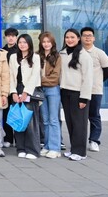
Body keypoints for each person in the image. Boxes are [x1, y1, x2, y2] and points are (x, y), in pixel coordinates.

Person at [60, 28, 93, 161]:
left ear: (78, 39)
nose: (69, 40)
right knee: (70, 122)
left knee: (79, 123)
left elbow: (88, 78)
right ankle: (74, 149)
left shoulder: (84, 55)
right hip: (65, 92)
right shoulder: (62, 53)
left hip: (78, 93)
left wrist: (84, 98)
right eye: (67, 37)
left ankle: (80, 152)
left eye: (72, 37)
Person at [9, 34, 41, 160]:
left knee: (30, 121)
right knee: (18, 119)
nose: (22, 44)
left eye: (25, 42)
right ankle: (20, 148)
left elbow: (34, 76)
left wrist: (26, 92)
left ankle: (32, 150)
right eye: (20, 42)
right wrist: (13, 92)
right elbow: (11, 75)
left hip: (30, 90)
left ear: (29, 44)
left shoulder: (35, 57)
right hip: (17, 89)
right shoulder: (13, 57)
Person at [80, 27, 108, 153]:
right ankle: (79, 141)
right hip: (80, 91)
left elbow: (107, 72)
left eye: (90, 35)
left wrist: (95, 82)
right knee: (80, 117)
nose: (87, 37)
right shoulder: (78, 52)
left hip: (94, 91)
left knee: (94, 116)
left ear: (94, 38)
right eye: (85, 35)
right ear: (81, 38)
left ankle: (94, 140)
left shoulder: (100, 53)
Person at [38, 31, 62, 159]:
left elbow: (55, 77)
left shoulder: (57, 57)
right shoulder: (37, 56)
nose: (46, 44)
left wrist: (41, 80)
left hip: (53, 90)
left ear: (52, 43)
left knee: (53, 119)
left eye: (48, 41)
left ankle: (55, 148)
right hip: (41, 91)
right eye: (44, 42)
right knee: (45, 120)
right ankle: (47, 146)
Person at [2, 27, 19, 148]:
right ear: (5, 37)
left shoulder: (20, 50)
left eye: (13, 36)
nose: (11, 38)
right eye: (8, 36)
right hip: (5, 85)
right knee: (6, 113)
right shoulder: (2, 51)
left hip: (17, 86)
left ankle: (18, 138)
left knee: (17, 113)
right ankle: (8, 138)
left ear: (16, 37)